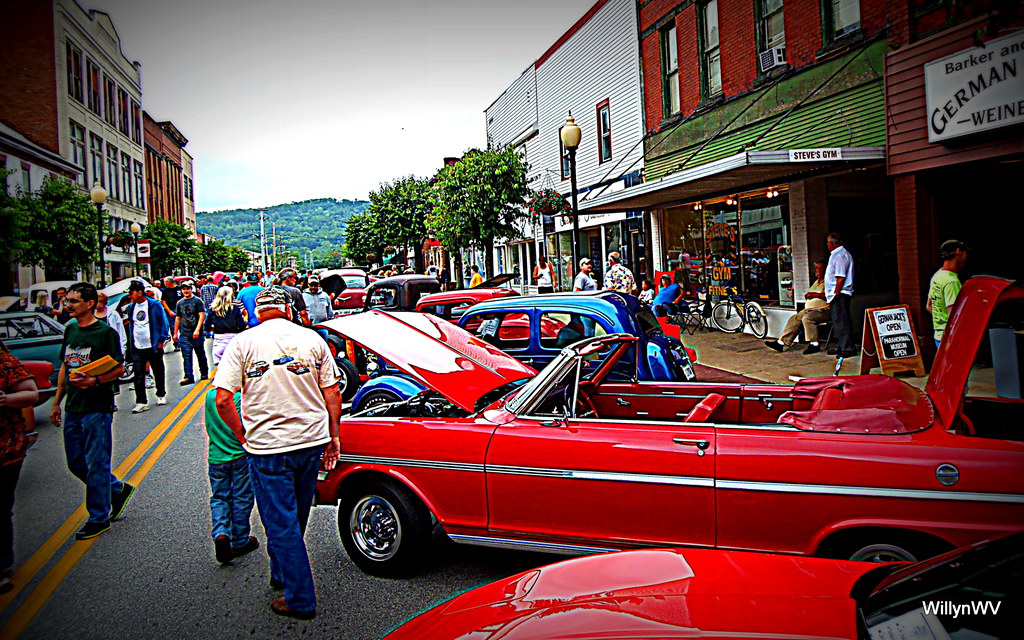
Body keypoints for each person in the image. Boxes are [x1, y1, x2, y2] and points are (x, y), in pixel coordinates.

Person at [213, 287, 342, 620]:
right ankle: (281, 572)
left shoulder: (242, 342)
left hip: (268, 447)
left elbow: (223, 400)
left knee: (280, 521)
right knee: (296, 514)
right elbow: (332, 391)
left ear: (255, 310)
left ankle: (299, 598)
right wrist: (333, 436)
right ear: (287, 307)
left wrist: (242, 435)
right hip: (310, 440)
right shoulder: (314, 339)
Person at [49, 283, 135, 540]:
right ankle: (116, 489)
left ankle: (98, 516)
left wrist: (95, 382)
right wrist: (57, 401)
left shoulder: (104, 333)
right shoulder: (71, 330)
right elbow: (66, 365)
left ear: (88, 303)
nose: (68, 306)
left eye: (74, 302)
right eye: (68, 302)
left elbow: (119, 369)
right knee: (76, 462)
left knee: (96, 462)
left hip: (97, 407)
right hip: (74, 406)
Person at [0, 342, 40, 595]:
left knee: (0, 507)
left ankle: (2, 565)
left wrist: (6, 399)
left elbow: (32, 394)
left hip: (6, 448)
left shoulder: (4, 362)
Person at [204, 387, 258, 565]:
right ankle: (240, 540)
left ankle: (221, 533)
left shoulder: (211, 395)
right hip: (239, 456)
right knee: (242, 497)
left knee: (220, 497)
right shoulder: (240, 398)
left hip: (216, 458)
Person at [765, 261, 831, 354]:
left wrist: (815, 295)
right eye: (815, 268)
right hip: (809, 309)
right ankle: (781, 343)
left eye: (818, 268)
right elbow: (810, 293)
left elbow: (830, 296)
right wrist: (808, 295)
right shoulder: (816, 282)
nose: (815, 270)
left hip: (823, 310)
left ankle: (814, 344)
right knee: (794, 318)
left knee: (807, 318)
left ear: (824, 270)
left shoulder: (829, 281)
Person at [126, 281, 170, 413]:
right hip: (138, 346)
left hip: (154, 344)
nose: (130, 295)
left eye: (132, 292)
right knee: (138, 374)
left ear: (140, 292)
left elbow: (163, 322)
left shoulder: (154, 305)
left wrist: (161, 339)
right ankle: (141, 401)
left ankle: (161, 394)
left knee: (158, 370)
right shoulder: (131, 307)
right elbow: (131, 325)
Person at [927, 239, 968, 348]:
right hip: (951, 339)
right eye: (965, 253)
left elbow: (929, 306)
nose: (966, 257)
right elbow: (954, 316)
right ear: (958, 252)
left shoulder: (937, 275)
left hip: (939, 337)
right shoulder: (951, 281)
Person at [824, 232, 856, 357]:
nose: (827, 245)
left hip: (840, 293)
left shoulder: (840, 256)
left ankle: (847, 348)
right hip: (836, 293)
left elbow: (840, 277)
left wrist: (836, 292)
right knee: (837, 321)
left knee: (842, 321)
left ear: (832, 243)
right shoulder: (836, 255)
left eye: (828, 242)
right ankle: (841, 345)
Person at [174, 282, 209, 385]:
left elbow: (202, 316)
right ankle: (188, 376)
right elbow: (178, 318)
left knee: (200, 353)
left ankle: (204, 372)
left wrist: (198, 330)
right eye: (184, 289)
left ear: (191, 289)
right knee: (187, 355)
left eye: (188, 289)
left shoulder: (197, 301)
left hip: (196, 332)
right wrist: (175, 333)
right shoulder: (180, 303)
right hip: (184, 333)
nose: (186, 291)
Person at [206, 286, 248, 365]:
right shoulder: (235, 308)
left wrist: (211, 329)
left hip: (219, 338)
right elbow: (242, 325)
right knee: (235, 363)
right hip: (234, 337)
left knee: (219, 363)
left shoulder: (213, 309)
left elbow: (206, 325)